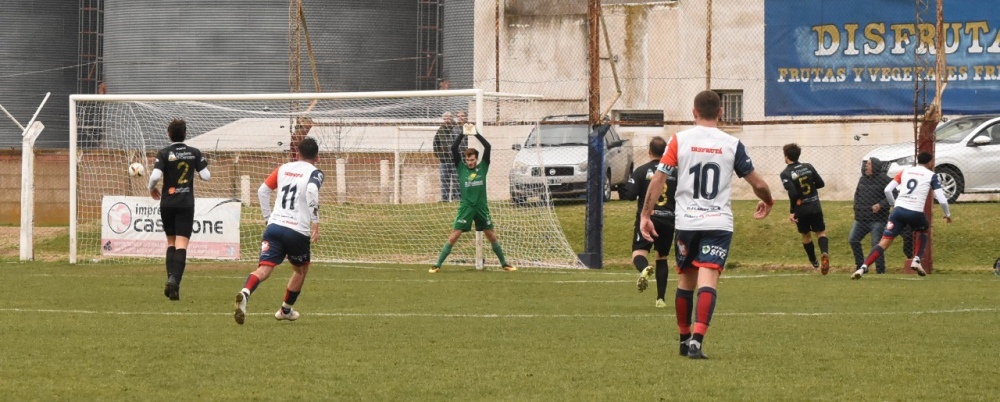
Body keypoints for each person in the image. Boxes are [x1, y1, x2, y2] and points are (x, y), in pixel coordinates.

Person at [640, 90, 774, 360]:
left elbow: (658, 179)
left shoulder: (679, 140)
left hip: (687, 222)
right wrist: (768, 200)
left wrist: (646, 214)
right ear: (721, 113)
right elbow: (757, 183)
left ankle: (683, 338)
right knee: (708, 279)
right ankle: (697, 342)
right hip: (718, 223)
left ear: (694, 112)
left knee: (686, 281)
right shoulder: (732, 144)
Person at [234, 137, 323, 324]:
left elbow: (262, 191)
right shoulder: (315, 173)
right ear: (316, 157)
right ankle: (286, 310)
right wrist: (315, 221)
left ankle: (245, 292)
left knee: (264, 270)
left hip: (274, 227)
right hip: (296, 230)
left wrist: (268, 218)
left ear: (297, 154)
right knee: (301, 271)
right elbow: (312, 191)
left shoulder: (283, 168)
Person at [430, 124, 516, 273]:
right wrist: (463, 133)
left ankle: (504, 264)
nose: (470, 162)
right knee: (454, 236)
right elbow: (453, 148)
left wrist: (476, 134)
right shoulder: (461, 167)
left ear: (476, 159)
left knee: (491, 236)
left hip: (482, 207)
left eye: (472, 160)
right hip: (466, 207)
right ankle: (437, 265)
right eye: (468, 160)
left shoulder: (483, 167)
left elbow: (488, 147)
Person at [852, 151, 952, 279]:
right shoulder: (931, 175)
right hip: (915, 212)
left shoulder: (905, 171)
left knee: (883, 242)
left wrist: (894, 205)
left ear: (917, 160)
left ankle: (863, 268)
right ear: (931, 162)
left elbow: (887, 190)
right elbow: (942, 199)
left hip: (898, 211)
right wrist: (947, 214)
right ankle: (916, 259)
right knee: (923, 230)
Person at [147, 118, 210, 301]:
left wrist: (151, 188)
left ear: (169, 134)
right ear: (185, 134)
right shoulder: (194, 152)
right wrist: (198, 164)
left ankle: (172, 284)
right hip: (185, 204)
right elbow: (206, 176)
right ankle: (174, 281)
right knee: (182, 244)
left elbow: (155, 176)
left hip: (167, 203)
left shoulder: (165, 152)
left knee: (171, 243)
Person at [620, 136, 676, 308]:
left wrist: (623, 186)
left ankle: (644, 269)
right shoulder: (675, 171)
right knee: (662, 257)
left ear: (649, 151)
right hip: (668, 218)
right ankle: (660, 299)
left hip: (648, 218)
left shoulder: (642, 170)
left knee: (639, 253)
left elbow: (629, 195)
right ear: (665, 151)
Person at [779, 143, 830, 274]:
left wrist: (792, 211)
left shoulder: (786, 173)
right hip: (815, 205)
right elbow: (820, 183)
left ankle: (814, 262)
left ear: (786, 156)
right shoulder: (808, 167)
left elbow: (794, 194)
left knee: (806, 235)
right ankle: (824, 252)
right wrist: (810, 189)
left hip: (802, 209)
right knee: (821, 232)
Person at [849, 158, 892, 274]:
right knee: (853, 239)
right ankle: (860, 266)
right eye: (866, 164)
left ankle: (880, 270)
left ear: (875, 166)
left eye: (868, 164)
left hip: (877, 220)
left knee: (876, 244)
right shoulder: (862, 180)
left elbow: (894, 194)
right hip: (861, 219)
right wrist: (856, 208)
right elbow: (857, 195)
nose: (866, 166)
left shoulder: (884, 179)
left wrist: (881, 205)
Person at [432, 112, 460, 202]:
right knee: (444, 179)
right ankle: (444, 198)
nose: (447, 120)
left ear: (452, 118)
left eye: (448, 118)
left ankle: (456, 198)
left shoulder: (458, 128)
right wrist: (439, 154)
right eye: (445, 118)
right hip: (444, 159)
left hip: (456, 159)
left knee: (457, 179)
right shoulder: (440, 130)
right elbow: (436, 143)